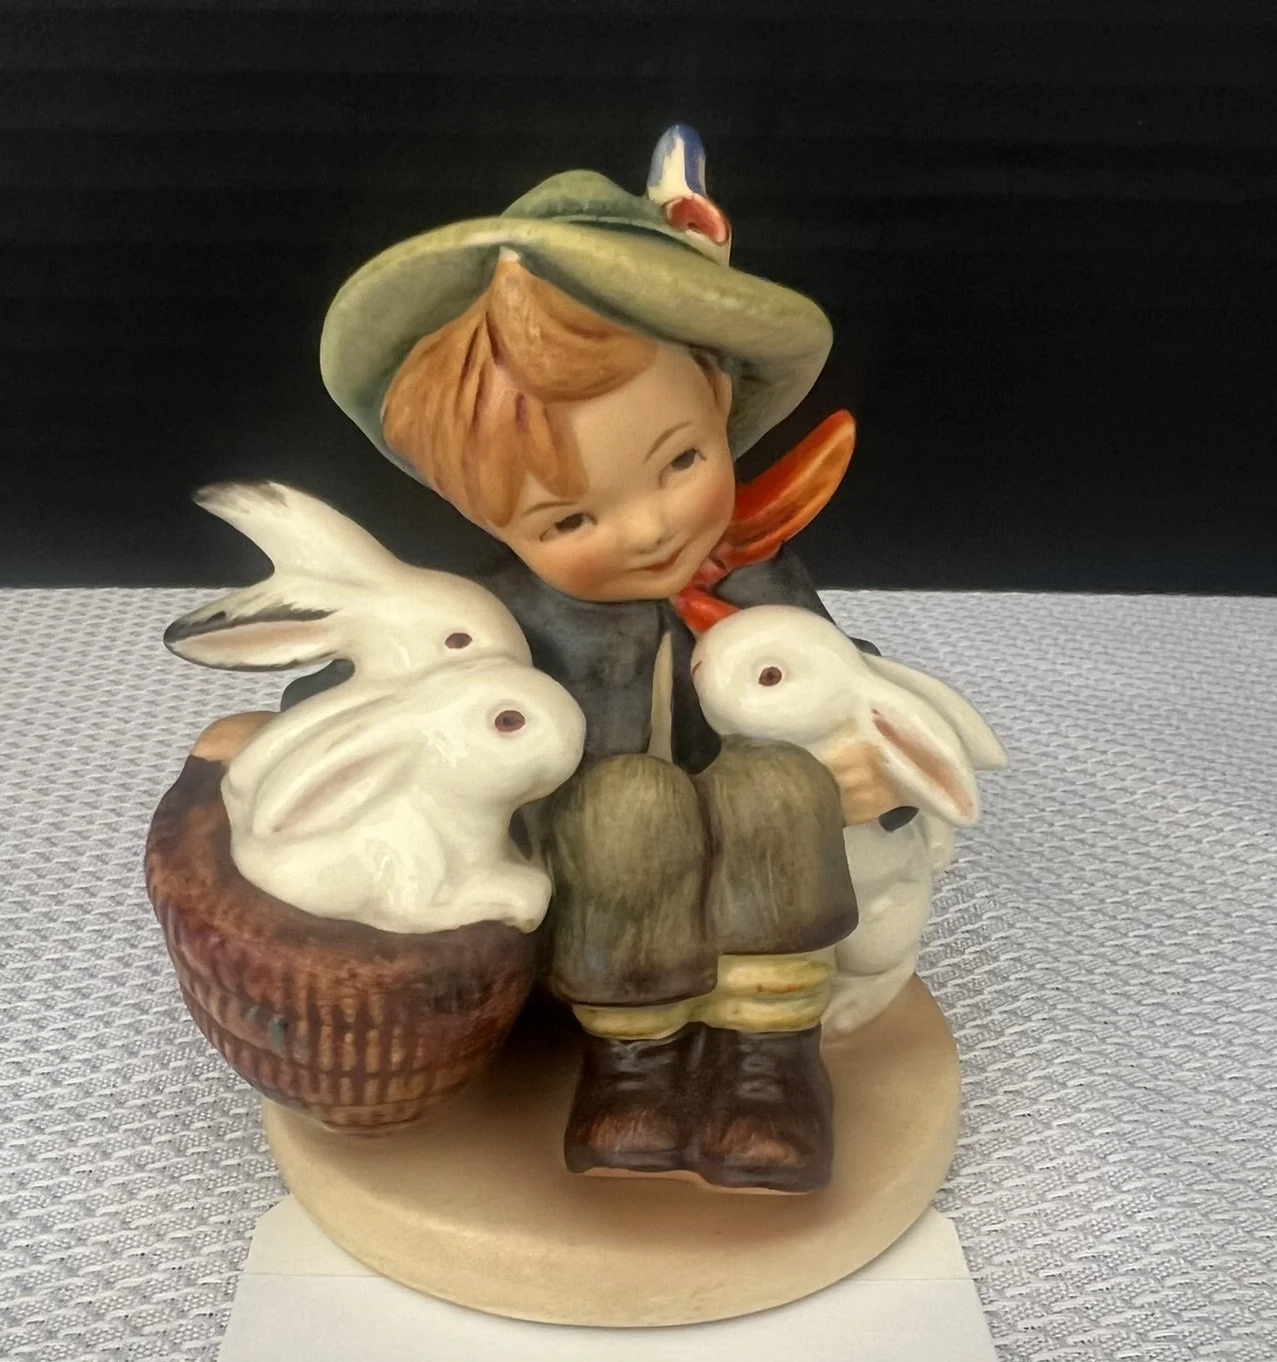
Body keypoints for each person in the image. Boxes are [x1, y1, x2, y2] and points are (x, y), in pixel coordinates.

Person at [307, 127, 894, 1193]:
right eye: (571, 518)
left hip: (756, 888)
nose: (650, 528)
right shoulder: (498, 620)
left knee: (775, 781)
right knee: (623, 804)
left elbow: (847, 679)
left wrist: (867, 756)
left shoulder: (761, 581)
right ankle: (635, 1065)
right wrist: (285, 734)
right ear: (488, 521)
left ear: (718, 398)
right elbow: (391, 688)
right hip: (587, 904)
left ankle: (767, 1060)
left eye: (680, 461)